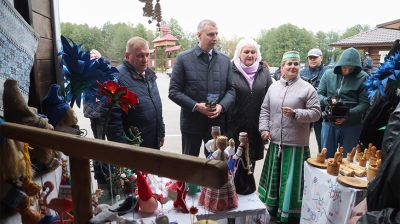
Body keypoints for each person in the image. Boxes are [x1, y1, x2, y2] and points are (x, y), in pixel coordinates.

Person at [258, 51, 321, 223]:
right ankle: (272, 212)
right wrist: (264, 129)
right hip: (276, 142)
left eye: (296, 63)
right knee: (275, 180)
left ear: (300, 66)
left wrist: (296, 114)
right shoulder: (273, 87)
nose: (293, 67)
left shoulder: (307, 88)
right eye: (289, 64)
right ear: (282, 67)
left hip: (296, 146)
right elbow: (265, 110)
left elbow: (316, 113)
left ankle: (290, 216)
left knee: (290, 184)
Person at [168, 19, 235, 157]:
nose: (215, 38)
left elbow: (231, 90)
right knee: (189, 165)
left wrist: (221, 107)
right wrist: (196, 106)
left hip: (216, 125)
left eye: (216, 34)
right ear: (198, 35)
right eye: (210, 34)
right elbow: (173, 92)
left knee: (215, 166)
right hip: (192, 123)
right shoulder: (183, 59)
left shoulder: (224, 60)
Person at [107, 36, 165, 149]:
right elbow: (112, 121)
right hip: (133, 146)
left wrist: (160, 132)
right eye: (140, 55)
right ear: (127, 55)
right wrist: (123, 149)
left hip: (152, 141)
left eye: (147, 55)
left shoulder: (149, 74)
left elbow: (157, 105)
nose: (145, 59)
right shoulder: (117, 78)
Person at [226, 38, 273, 169]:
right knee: (232, 162)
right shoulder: (229, 70)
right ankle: (231, 189)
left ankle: (247, 189)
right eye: (246, 51)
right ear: (239, 54)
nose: (250, 55)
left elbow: (271, 96)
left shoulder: (263, 71)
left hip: (256, 126)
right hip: (234, 126)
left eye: (253, 52)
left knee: (250, 164)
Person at [317, 47, 369, 158]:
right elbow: (318, 94)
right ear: (340, 64)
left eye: (351, 69)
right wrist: (327, 101)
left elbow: (365, 103)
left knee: (347, 159)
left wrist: (347, 114)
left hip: (352, 124)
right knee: (326, 157)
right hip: (329, 123)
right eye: (345, 67)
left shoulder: (363, 77)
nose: (347, 71)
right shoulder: (328, 74)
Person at [300, 48, 327, 152]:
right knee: (301, 141)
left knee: (322, 143)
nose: (312, 59)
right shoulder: (302, 72)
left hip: (321, 112)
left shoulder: (328, 72)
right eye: (310, 57)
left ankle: (322, 162)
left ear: (321, 58)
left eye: (315, 57)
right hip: (305, 111)